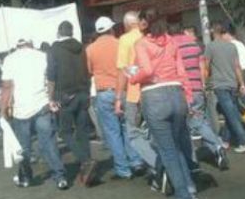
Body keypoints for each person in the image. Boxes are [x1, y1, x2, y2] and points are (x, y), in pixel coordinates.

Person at [129, 9, 199, 199]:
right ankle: (190, 189)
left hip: (155, 96)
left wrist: (133, 76)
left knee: (168, 152)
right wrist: (188, 98)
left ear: (144, 23)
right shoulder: (171, 42)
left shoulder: (141, 44)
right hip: (177, 94)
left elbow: (148, 70)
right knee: (176, 147)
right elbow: (182, 72)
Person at [1, 39, 69, 190]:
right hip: (41, 105)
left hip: (21, 109)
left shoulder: (9, 59)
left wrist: (3, 109)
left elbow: (7, 86)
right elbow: (51, 80)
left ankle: (25, 178)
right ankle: (60, 177)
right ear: (31, 44)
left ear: (17, 45)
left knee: (23, 147)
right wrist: (50, 98)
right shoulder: (42, 56)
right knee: (49, 143)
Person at [87, 16, 146, 179]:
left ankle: (123, 169)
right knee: (129, 127)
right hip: (124, 89)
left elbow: (89, 70)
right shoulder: (120, 43)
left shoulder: (90, 49)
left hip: (104, 92)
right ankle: (136, 161)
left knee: (113, 132)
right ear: (111, 29)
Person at [170, 24, 229, 170]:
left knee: (192, 124)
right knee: (200, 120)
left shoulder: (171, 46)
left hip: (184, 91)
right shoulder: (194, 45)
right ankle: (215, 149)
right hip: (198, 89)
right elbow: (203, 68)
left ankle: (214, 147)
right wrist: (202, 86)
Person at [47, 21, 96, 186]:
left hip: (65, 95)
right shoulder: (81, 47)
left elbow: (51, 76)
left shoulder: (54, 49)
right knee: (82, 132)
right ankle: (87, 168)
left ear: (59, 32)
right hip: (82, 92)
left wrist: (51, 97)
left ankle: (86, 161)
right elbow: (87, 70)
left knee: (65, 132)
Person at [116, 11, 160, 180]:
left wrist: (118, 97)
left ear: (127, 25)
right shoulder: (153, 37)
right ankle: (159, 164)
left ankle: (157, 164)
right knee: (153, 130)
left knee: (134, 132)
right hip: (156, 90)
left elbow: (122, 70)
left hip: (134, 93)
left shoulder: (125, 40)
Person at [204, 24, 245, 153]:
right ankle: (225, 139)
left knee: (231, 114)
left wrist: (206, 81)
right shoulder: (231, 46)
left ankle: (244, 141)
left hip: (220, 84)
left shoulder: (211, 47)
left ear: (213, 32)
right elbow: (237, 67)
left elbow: (206, 67)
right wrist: (241, 84)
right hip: (232, 84)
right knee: (228, 112)